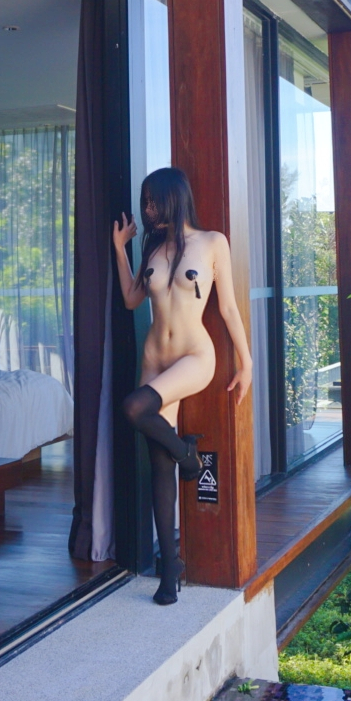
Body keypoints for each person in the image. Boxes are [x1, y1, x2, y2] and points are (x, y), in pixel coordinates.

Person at [113, 167, 251, 605]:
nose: (148, 209)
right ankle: (170, 567)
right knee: (159, 464)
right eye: (145, 202)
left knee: (134, 409)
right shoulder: (154, 248)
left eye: (153, 201)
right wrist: (120, 248)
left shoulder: (212, 242)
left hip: (194, 356)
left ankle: (187, 455)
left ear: (173, 198)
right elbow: (131, 299)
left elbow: (228, 308)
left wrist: (246, 362)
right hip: (154, 360)